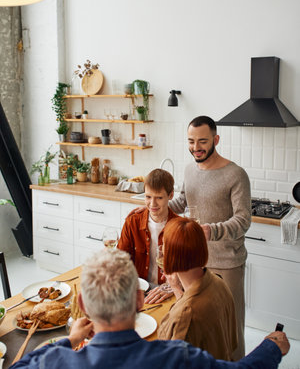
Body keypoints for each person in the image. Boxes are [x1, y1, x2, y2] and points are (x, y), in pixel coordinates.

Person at [11, 248, 289, 369]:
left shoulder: (56, 362)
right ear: (141, 299)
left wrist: (69, 341)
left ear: (83, 305)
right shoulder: (177, 358)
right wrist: (271, 347)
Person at [169, 116, 251, 360]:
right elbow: (183, 201)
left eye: (202, 141)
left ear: (216, 139)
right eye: (191, 141)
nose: (196, 148)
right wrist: (159, 206)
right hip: (195, 262)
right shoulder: (189, 170)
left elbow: (243, 219)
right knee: (199, 325)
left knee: (230, 327)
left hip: (227, 264)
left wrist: (210, 231)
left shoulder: (235, 174)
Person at [158, 217, 238, 361]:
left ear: (171, 254)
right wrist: (176, 288)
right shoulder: (218, 282)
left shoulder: (185, 316)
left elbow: (171, 360)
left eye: (163, 244)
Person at [118, 168, 180, 299]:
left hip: (168, 292)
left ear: (171, 195)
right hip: (137, 290)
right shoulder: (133, 221)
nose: (152, 204)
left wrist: (172, 288)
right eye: (148, 197)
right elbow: (119, 260)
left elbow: (188, 271)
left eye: (159, 197)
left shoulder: (180, 228)